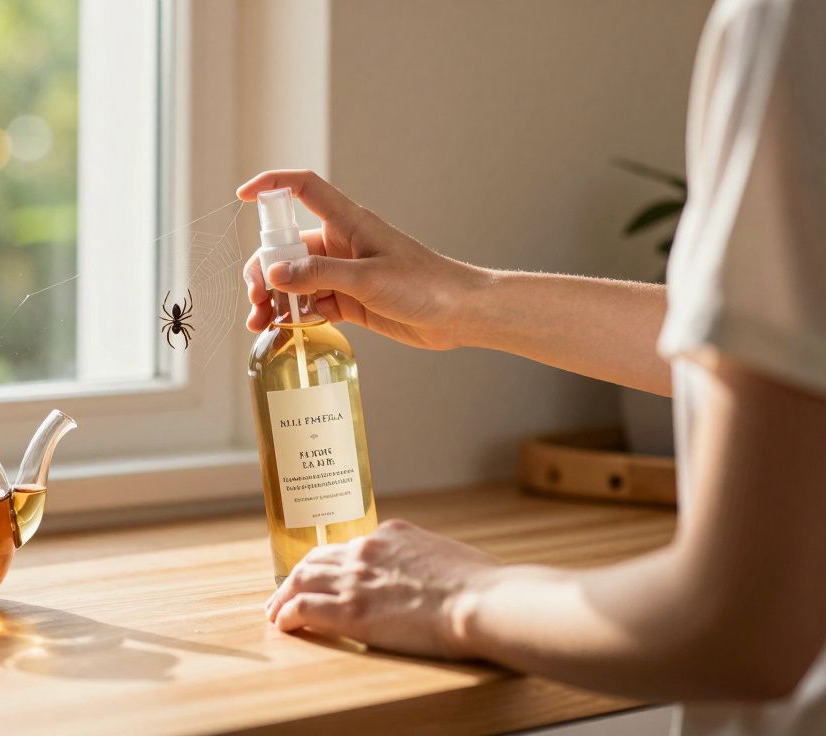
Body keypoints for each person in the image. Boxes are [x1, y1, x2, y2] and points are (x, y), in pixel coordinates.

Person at [241, 0, 826, 732]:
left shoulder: (790, 25)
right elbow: (793, 345)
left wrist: (457, 596)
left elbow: (747, 621)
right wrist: (465, 300)